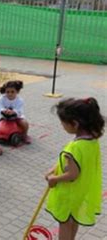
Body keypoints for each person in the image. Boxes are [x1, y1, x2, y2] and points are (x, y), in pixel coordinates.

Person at [45, 97, 104, 240]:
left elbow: (73, 174)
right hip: (81, 190)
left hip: (69, 193)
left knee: (64, 222)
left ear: (75, 124)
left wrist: (54, 179)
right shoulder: (92, 139)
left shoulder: (75, 147)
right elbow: (77, 163)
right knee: (73, 219)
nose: (62, 126)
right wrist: (55, 167)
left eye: (63, 123)